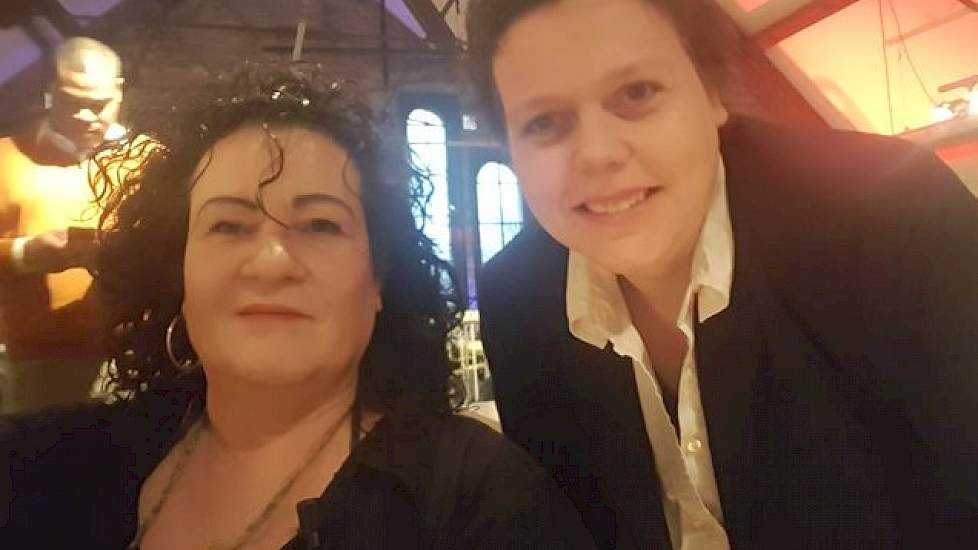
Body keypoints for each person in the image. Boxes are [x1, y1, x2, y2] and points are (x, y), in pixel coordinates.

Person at [0, 68, 596, 550]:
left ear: (378, 280)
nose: (271, 262)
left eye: (320, 225)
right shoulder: (50, 469)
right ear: (177, 272)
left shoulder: (479, 503)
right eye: (228, 225)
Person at [466, 0, 978, 549]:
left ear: (712, 94)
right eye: (543, 122)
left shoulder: (893, 217)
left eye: (637, 93)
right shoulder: (518, 302)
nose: (597, 154)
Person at [0, 36, 126, 412]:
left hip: (128, 358)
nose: (85, 116)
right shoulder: (5, 159)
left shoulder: (149, 162)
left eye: (98, 105)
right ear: (50, 91)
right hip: (29, 360)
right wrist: (25, 254)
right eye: (71, 102)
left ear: (119, 92)